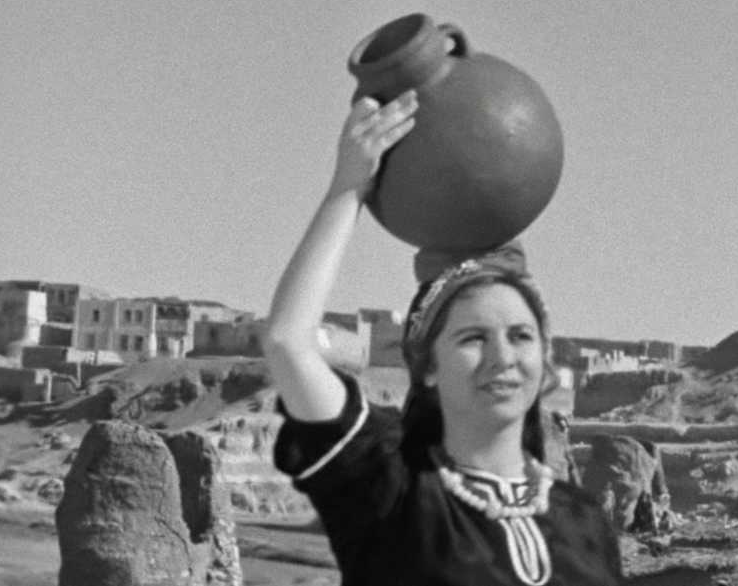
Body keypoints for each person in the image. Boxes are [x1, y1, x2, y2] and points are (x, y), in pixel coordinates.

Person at [265, 90, 623, 586]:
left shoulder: (583, 520)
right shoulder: (391, 487)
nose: (503, 359)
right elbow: (288, 343)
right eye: (473, 338)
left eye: (521, 336)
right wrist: (349, 186)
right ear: (428, 366)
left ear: (545, 360)